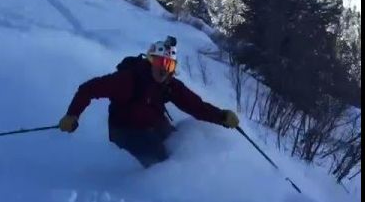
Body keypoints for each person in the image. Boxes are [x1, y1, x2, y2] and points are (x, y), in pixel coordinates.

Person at [58, 36, 239, 168]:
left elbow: (195, 106)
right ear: (150, 61)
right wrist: (72, 115)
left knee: (181, 146)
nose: (163, 70)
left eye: (169, 66)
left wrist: (221, 116)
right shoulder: (127, 80)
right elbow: (88, 89)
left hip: (154, 126)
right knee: (162, 162)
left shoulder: (169, 85)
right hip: (125, 131)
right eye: (159, 63)